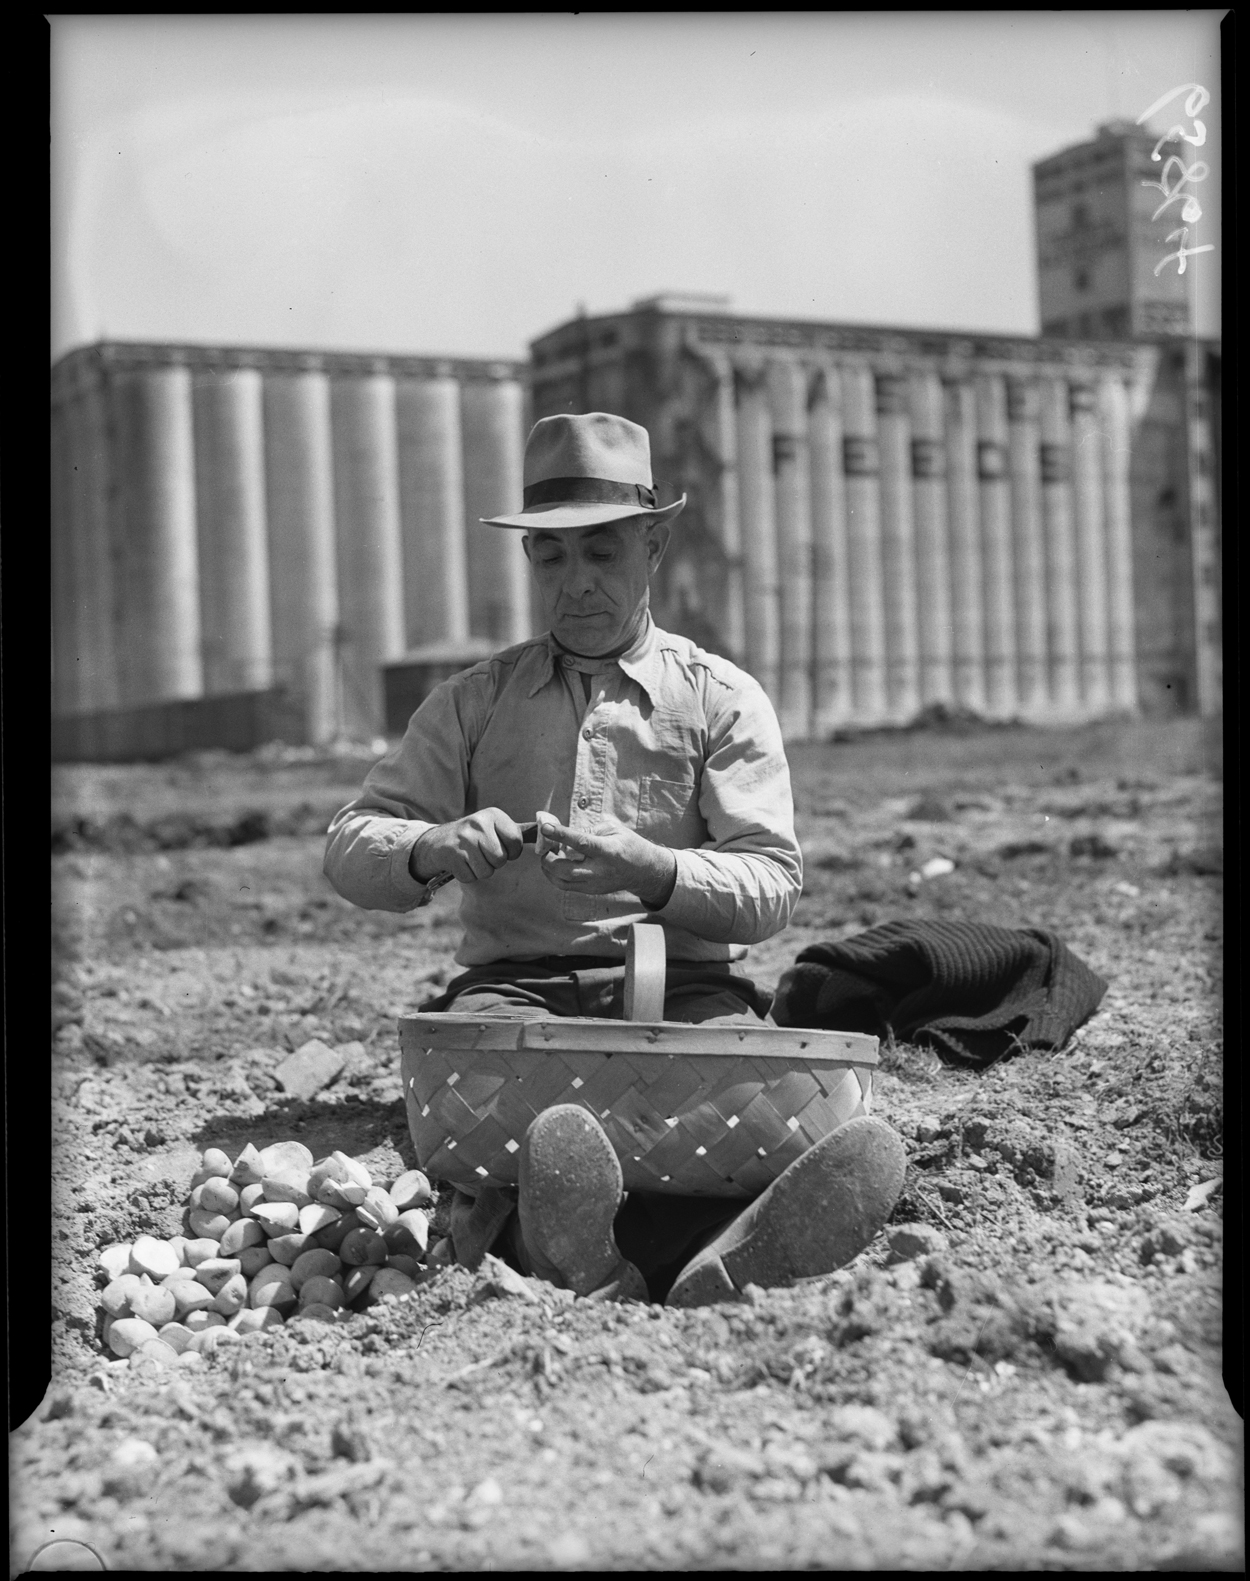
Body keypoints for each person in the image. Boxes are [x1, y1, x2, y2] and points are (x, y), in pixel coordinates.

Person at [324, 411, 904, 1305]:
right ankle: (625, 1252)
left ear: (655, 543)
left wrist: (656, 869)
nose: (574, 584)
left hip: (688, 997)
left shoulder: (718, 699)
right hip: (516, 994)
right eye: (550, 558)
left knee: (728, 1099)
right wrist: (430, 846)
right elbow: (352, 843)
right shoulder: (475, 704)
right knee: (499, 1115)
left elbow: (772, 884)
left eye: (600, 553)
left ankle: (700, 1252)